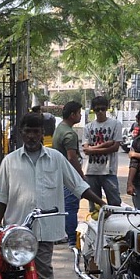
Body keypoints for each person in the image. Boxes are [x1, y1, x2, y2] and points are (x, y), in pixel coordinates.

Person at [0, 112, 106, 279]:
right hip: (16, 231)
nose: (31, 136)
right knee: (14, 275)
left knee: (43, 274)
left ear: (42, 133)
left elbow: (78, 186)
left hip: (44, 231)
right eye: (28, 131)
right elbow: (1, 197)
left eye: (35, 131)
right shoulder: (10, 161)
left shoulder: (56, 158)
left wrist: (102, 203)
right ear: (21, 133)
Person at [51, 101, 85, 247]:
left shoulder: (60, 128)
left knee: (62, 206)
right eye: (79, 112)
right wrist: (80, 176)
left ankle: (61, 234)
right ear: (72, 115)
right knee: (71, 207)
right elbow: (72, 157)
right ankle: (71, 238)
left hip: (58, 174)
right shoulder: (69, 134)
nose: (81, 115)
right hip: (68, 176)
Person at [82, 97, 122, 211]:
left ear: (106, 109)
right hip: (91, 171)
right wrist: (105, 144)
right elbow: (85, 149)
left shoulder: (115, 124)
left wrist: (92, 150)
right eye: (97, 109)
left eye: (102, 109)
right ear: (93, 110)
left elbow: (115, 148)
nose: (100, 112)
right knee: (94, 208)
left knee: (114, 205)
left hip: (108, 171)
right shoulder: (88, 127)